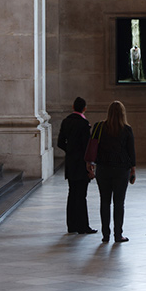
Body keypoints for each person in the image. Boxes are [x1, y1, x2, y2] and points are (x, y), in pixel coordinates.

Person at [87, 101, 136, 243]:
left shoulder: (99, 127)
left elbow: (92, 145)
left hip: (103, 169)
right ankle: (118, 234)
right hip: (121, 169)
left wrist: (90, 163)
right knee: (119, 203)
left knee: (105, 202)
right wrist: (133, 170)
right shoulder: (126, 129)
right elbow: (131, 152)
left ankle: (105, 235)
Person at [57, 96, 96, 234]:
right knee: (81, 196)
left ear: (73, 107)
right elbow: (87, 146)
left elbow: (60, 142)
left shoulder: (66, 121)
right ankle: (83, 226)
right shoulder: (84, 124)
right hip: (81, 164)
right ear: (84, 109)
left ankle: (71, 226)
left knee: (72, 194)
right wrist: (90, 164)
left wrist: (71, 151)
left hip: (70, 163)